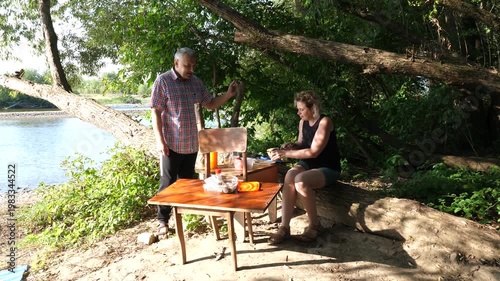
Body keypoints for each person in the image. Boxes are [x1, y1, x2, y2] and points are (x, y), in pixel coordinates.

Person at [150, 47, 240, 237]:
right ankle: (162, 221)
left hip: (191, 144)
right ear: (176, 63)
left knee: (187, 183)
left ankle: (184, 217)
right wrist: (160, 141)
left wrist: (229, 94)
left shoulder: (196, 83)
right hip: (171, 144)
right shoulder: (163, 81)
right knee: (167, 183)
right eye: (187, 65)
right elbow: (155, 112)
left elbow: (211, 104)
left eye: (193, 66)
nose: (191, 69)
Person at [268, 90, 341, 244]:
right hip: (309, 165)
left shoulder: (325, 122)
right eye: (298, 109)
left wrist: (285, 154)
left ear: (312, 108)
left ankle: (315, 225)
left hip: (328, 167)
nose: (298, 113)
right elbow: (302, 144)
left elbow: (314, 152)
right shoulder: (303, 122)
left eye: (301, 109)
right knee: (289, 176)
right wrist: (292, 146)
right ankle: (285, 227)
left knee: (300, 181)